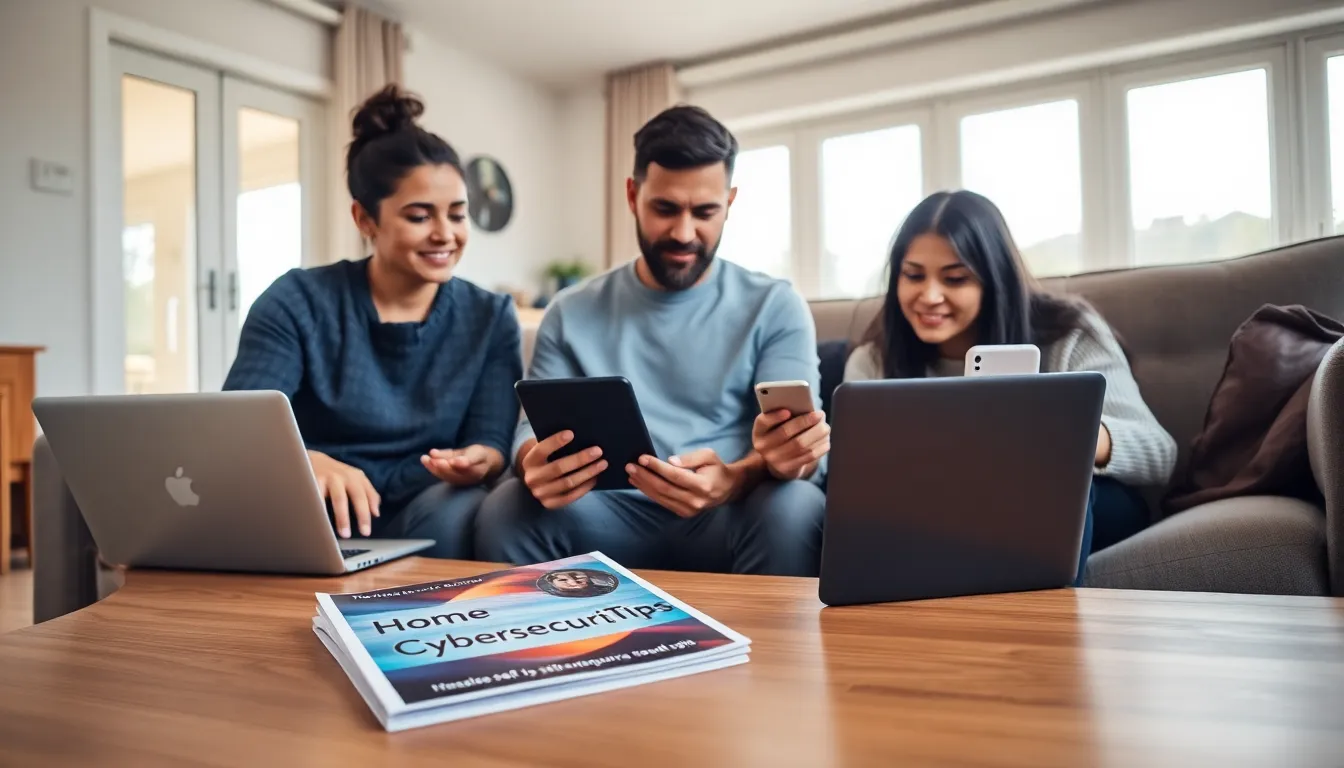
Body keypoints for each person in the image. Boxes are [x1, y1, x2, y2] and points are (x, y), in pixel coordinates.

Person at [475, 105, 830, 577]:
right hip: (603, 510)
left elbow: (799, 453)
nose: (684, 233)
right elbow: (528, 431)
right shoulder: (570, 310)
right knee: (507, 509)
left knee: (795, 506)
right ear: (632, 195)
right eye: (665, 209)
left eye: (705, 212)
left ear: (730, 202)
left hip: (729, 511)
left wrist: (739, 476)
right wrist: (531, 463)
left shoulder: (775, 305)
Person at [222, 84, 521, 558]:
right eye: (420, 217)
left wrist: (479, 460)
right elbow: (239, 425)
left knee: (460, 509)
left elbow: (490, 439)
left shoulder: (490, 316)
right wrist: (307, 460)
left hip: (427, 503)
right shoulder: (297, 302)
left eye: (458, 215)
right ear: (365, 219)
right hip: (318, 504)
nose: (445, 234)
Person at [843, 190, 1177, 579]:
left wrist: (1072, 434)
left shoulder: (1068, 334)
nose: (929, 296)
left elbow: (1159, 453)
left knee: (1056, 480)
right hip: (942, 519)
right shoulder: (872, 361)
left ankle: (1042, 618)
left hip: (1086, 507)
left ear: (994, 279)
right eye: (913, 275)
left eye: (955, 278)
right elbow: (855, 483)